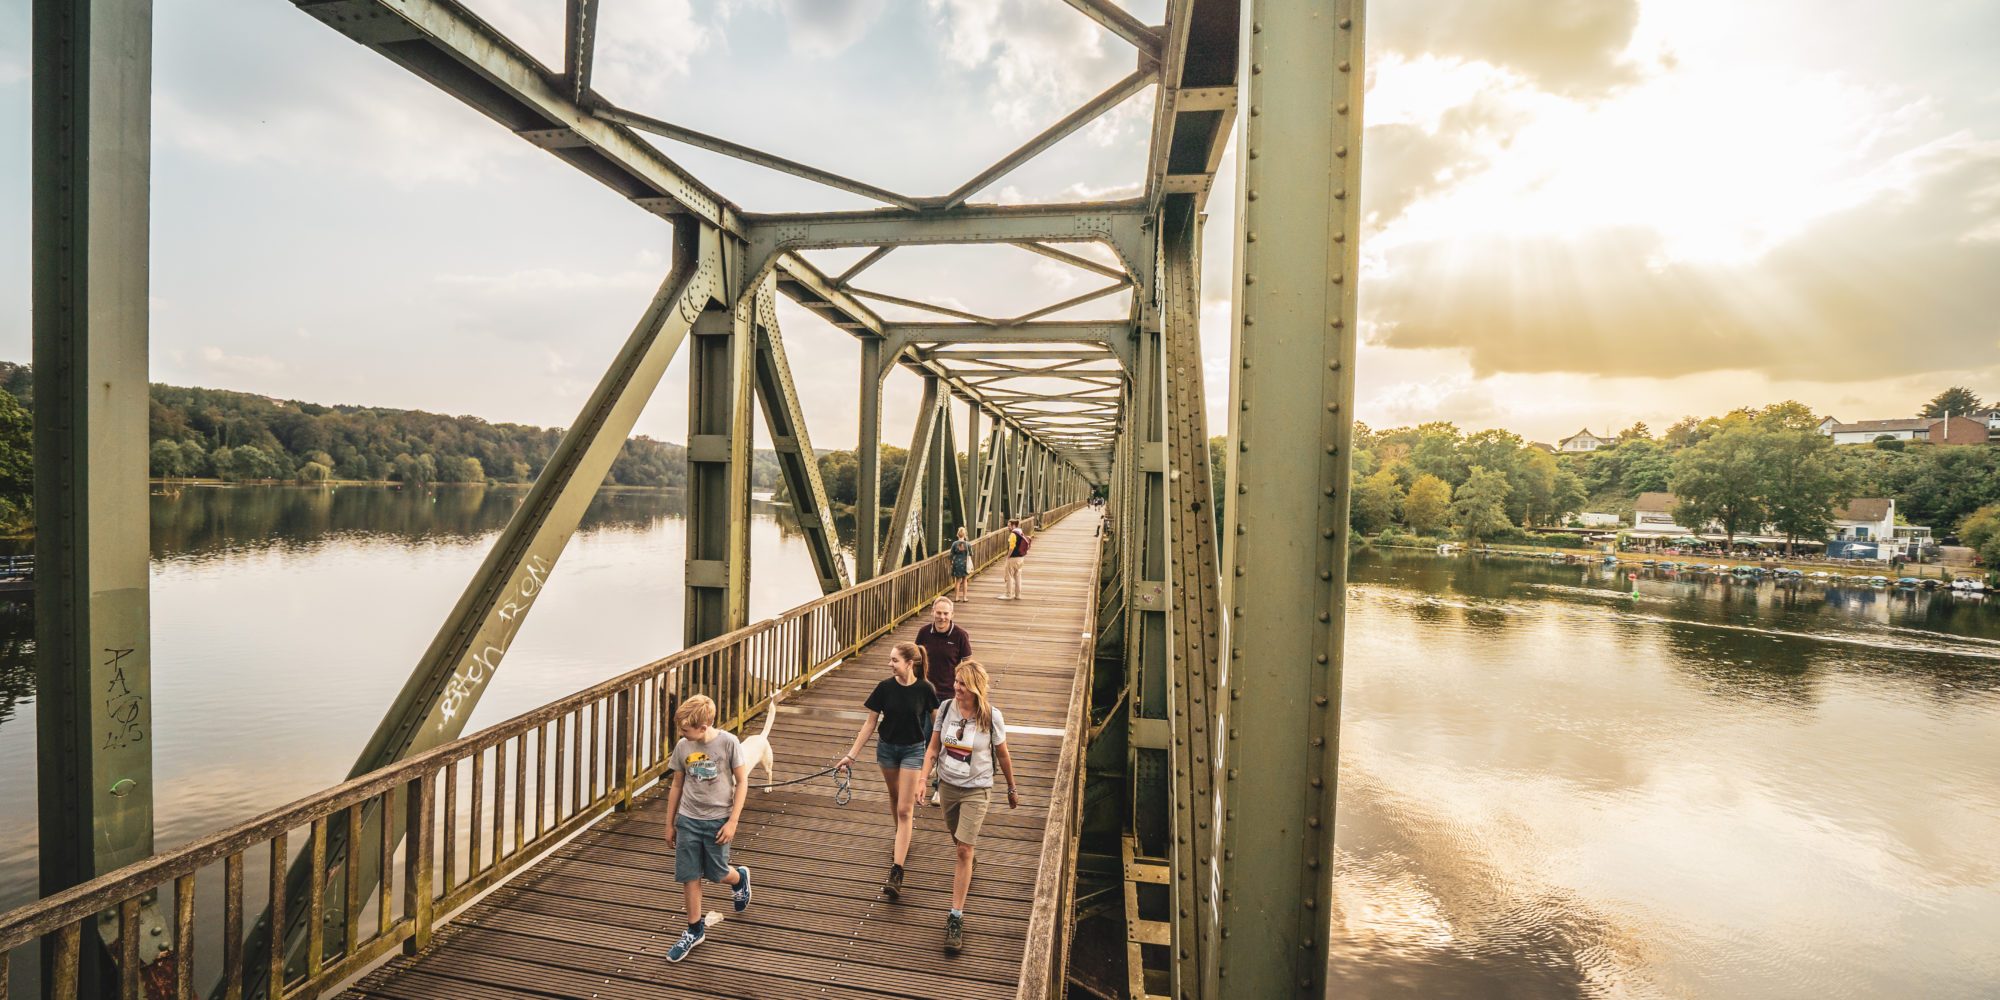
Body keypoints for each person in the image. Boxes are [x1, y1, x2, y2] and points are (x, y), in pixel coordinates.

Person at [921, 659, 1017, 955]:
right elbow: (934, 748)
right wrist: (923, 779)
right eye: (956, 682)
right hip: (948, 785)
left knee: (963, 848)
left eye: (962, 684)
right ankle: (969, 860)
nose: (956, 687)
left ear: (975, 687)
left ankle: (955, 917)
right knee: (958, 840)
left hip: (978, 787)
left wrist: (1012, 788)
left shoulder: (991, 716)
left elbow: (1002, 755)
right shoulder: (948, 708)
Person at [837, 641, 940, 899]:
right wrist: (851, 755)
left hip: (913, 751)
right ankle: (901, 839)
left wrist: (940, 754)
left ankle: (897, 870)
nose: (889, 663)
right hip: (887, 750)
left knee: (906, 809)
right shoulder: (884, 688)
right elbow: (870, 724)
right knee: (895, 798)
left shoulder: (925, 689)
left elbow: (938, 726)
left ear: (909, 662)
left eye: (894, 660)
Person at [663, 694, 752, 963]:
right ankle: (694, 929)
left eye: (685, 730)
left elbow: (742, 781)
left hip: (718, 820)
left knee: (717, 872)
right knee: (690, 874)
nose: (681, 734)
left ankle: (739, 879)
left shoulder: (728, 743)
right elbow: (677, 785)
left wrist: (733, 821)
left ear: (703, 727)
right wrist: (670, 823)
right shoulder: (683, 746)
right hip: (688, 819)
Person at [915, 598, 974, 805]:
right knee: (924, 738)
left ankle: (939, 787)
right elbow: (915, 662)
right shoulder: (923, 633)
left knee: (945, 742)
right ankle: (921, 781)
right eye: (938, 613)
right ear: (932, 612)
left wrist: (968, 694)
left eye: (946, 614)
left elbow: (968, 667)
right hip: (925, 695)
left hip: (950, 696)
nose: (942, 617)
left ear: (952, 614)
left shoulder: (960, 636)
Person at [999, 518, 1030, 600]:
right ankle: (1018, 595)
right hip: (1021, 558)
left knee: (1009, 576)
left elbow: (1011, 547)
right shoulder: (1021, 533)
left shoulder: (1013, 534)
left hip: (1013, 558)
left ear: (1013, 525)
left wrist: (1008, 556)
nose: (1008, 527)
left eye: (1009, 526)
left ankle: (1008, 594)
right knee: (1018, 577)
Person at [949, 526, 973, 603]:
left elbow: (951, 555)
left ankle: (956, 597)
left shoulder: (954, 544)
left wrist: (951, 563)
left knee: (957, 581)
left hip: (956, 564)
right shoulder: (968, 544)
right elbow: (971, 554)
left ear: (957, 535)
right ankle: (965, 597)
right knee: (965, 580)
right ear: (964, 535)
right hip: (965, 563)